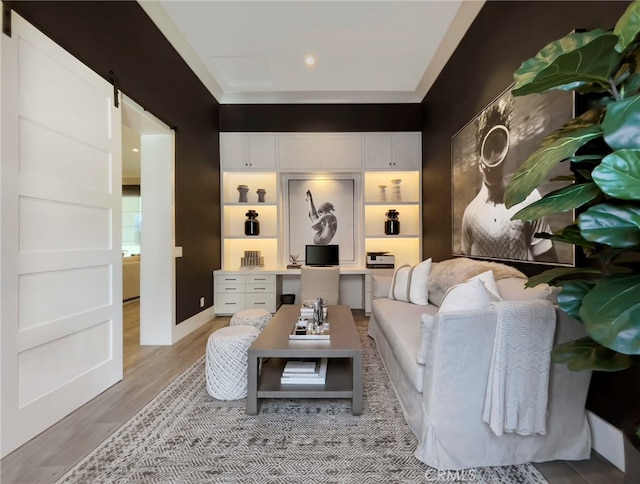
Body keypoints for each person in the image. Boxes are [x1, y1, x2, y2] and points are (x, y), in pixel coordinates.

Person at [460, 114, 558, 263]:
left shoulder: (528, 198)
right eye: (488, 150)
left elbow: (549, 264)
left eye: (498, 147)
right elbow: (464, 267)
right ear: (480, 162)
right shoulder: (470, 213)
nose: (493, 156)